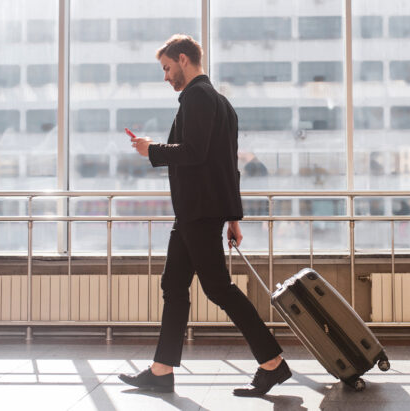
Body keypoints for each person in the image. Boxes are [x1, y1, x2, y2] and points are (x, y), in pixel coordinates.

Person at [118, 34, 291, 396]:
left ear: (183, 59)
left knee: (219, 288)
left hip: (197, 212)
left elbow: (194, 152)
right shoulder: (222, 103)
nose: (166, 76)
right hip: (200, 212)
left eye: (167, 68)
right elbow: (226, 165)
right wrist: (233, 217)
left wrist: (151, 150)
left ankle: (272, 362)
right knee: (174, 286)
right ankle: (162, 370)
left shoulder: (197, 97)